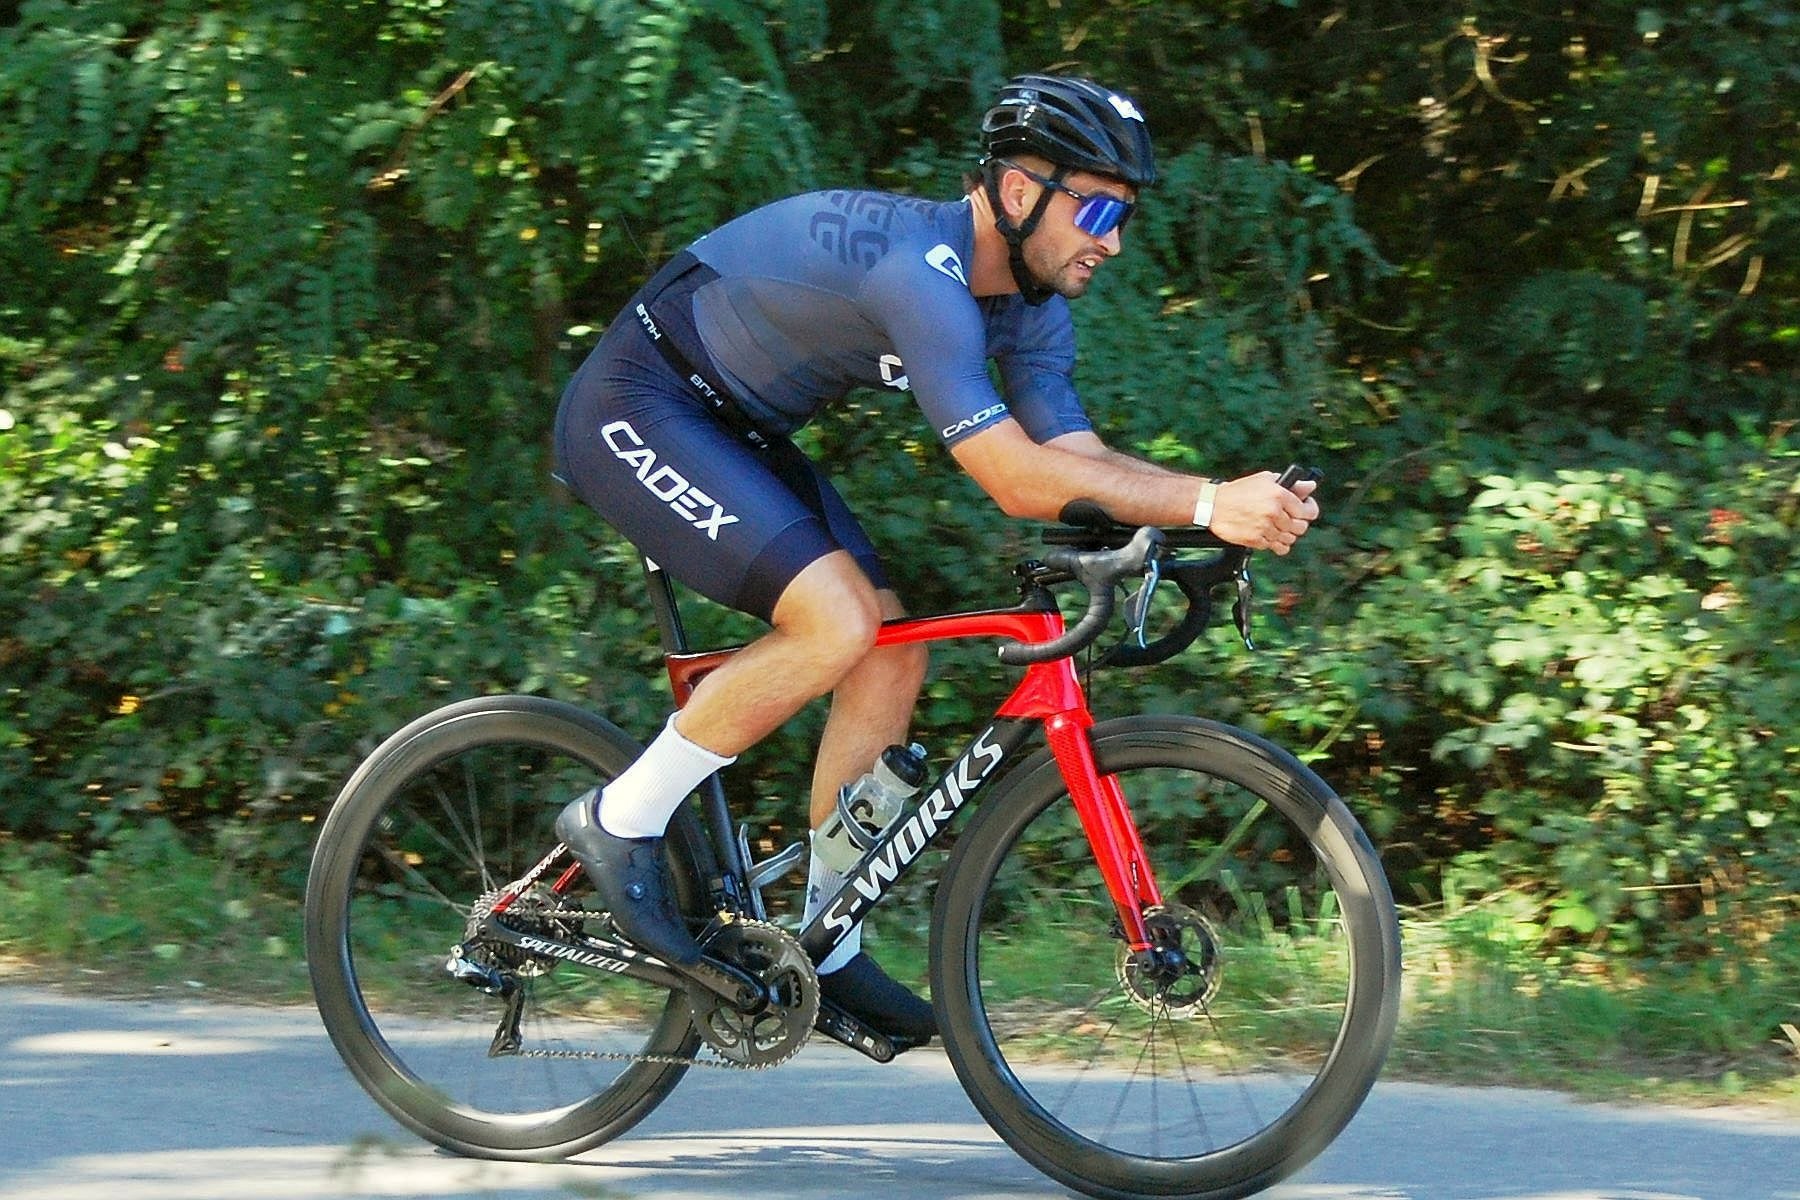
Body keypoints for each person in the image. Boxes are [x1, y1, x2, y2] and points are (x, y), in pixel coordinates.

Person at [552, 73, 1320, 1046]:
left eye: (1123, 216)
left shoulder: (1031, 306)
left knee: (891, 650)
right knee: (836, 621)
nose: (1113, 241)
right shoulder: (923, 273)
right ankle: (621, 818)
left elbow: (1076, 461)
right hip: (637, 403)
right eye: (1096, 211)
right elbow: (1013, 477)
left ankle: (823, 942)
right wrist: (1210, 502)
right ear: (1018, 192)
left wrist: (1210, 514)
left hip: (736, 430)